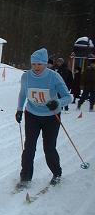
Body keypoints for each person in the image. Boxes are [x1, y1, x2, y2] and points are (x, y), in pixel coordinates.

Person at [15, 48, 71, 189]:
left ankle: (57, 173)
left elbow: (67, 97)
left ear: (45, 64)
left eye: (39, 64)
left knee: (49, 147)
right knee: (29, 147)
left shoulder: (54, 77)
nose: (36, 67)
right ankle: (25, 177)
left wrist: (57, 103)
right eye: (33, 64)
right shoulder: (26, 76)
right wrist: (19, 109)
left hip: (51, 117)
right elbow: (23, 94)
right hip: (32, 115)